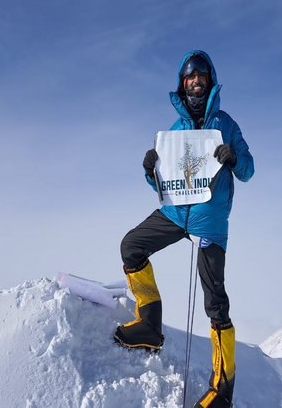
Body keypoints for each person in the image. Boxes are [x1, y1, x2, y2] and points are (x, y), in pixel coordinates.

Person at [114, 50, 254, 408]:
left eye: (202, 76)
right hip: (176, 214)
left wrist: (233, 158)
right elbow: (165, 186)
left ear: (209, 81)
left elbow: (249, 170)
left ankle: (222, 392)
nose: (196, 81)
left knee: (216, 304)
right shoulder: (174, 132)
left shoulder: (226, 124)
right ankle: (149, 325)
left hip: (209, 219)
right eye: (190, 76)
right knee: (131, 247)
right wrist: (151, 171)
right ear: (182, 83)